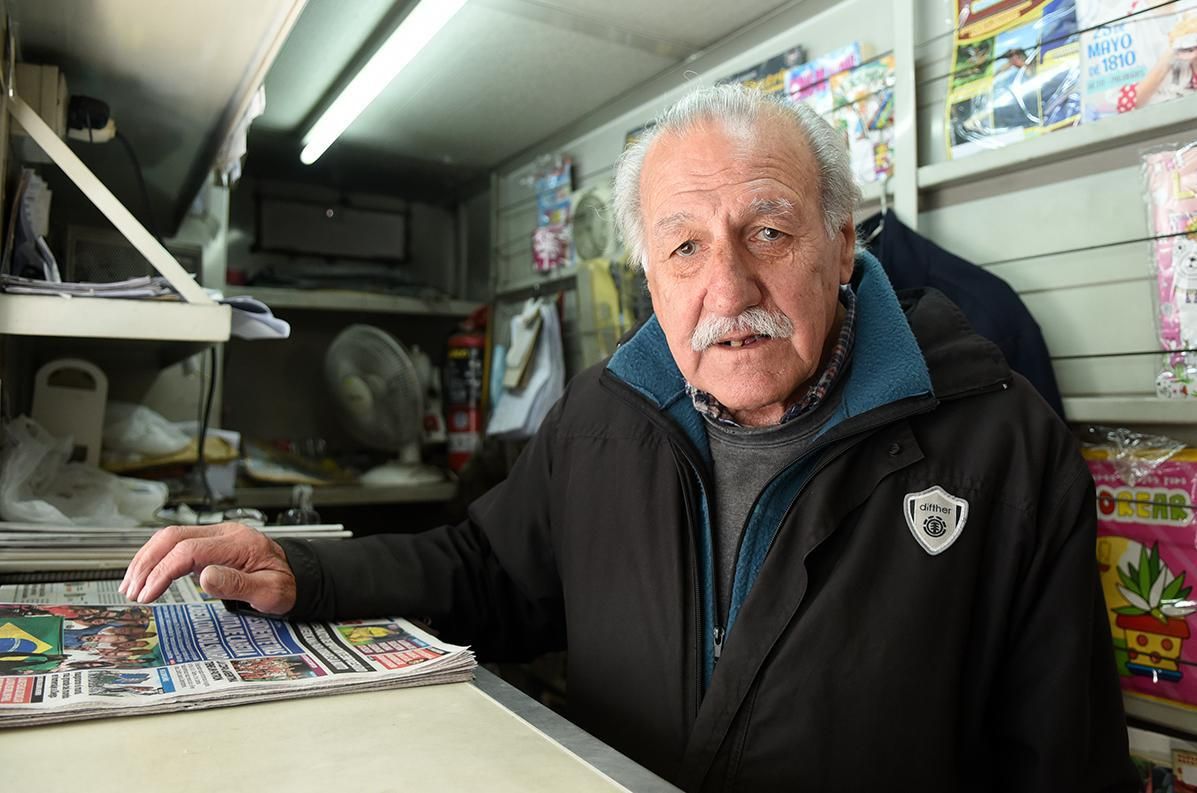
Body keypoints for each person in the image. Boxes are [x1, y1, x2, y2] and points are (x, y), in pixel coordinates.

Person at [121, 84, 1137, 792]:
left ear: (839, 245)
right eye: (684, 245)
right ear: (650, 274)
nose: (727, 288)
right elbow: (485, 569)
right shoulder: (606, 416)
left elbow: (1064, 759)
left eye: (768, 231)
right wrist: (304, 572)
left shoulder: (1003, 445)